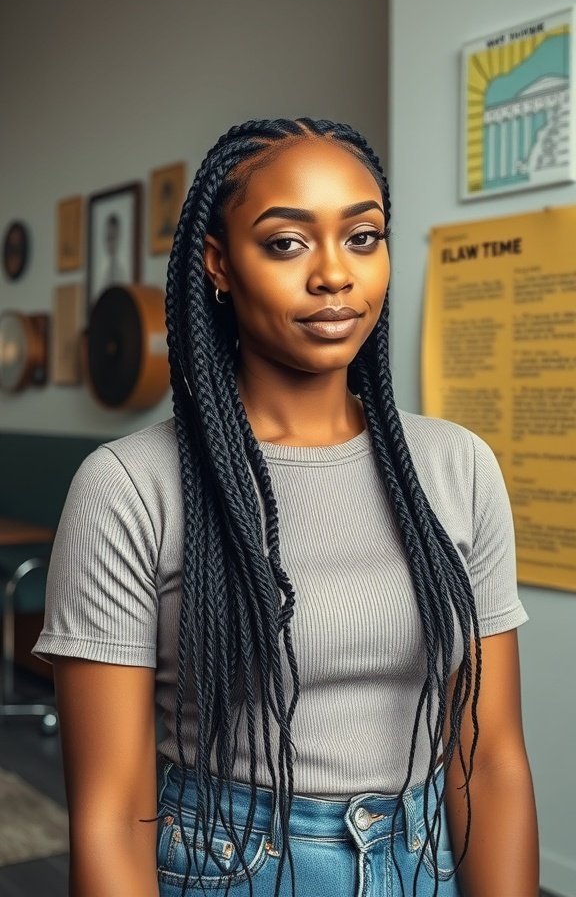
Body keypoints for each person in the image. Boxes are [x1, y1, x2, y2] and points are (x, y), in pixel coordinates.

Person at [33, 117, 538, 897]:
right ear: (219, 264)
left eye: (363, 237)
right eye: (286, 243)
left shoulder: (456, 465)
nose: (336, 274)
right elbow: (108, 811)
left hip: (422, 859)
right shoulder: (131, 485)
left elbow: (493, 755)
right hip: (229, 864)